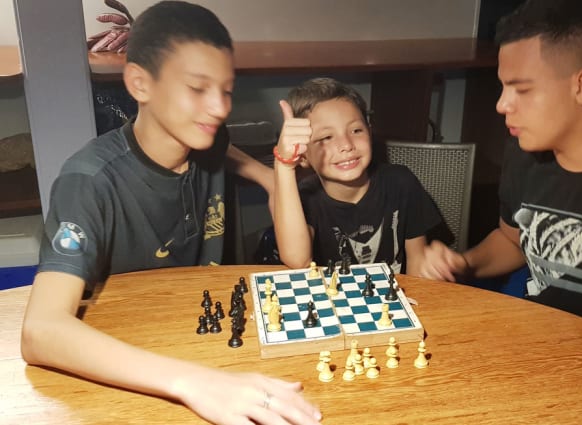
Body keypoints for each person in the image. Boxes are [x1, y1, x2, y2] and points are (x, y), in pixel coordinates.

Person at [20, 2, 322, 424]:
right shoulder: (88, 180)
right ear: (140, 83)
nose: (219, 107)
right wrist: (196, 383)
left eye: (226, 89)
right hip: (129, 368)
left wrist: (282, 170)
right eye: (197, 88)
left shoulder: (210, 142)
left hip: (213, 345)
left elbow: (294, 254)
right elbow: (40, 333)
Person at [445, 0, 582, 342]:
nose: (501, 104)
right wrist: (463, 264)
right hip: (535, 352)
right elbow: (514, 241)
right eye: (503, 86)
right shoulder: (525, 153)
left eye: (521, 89)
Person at [273, 77, 463, 279]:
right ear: (303, 156)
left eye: (356, 130)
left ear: (370, 132)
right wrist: (284, 165)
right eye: (326, 137)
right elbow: (297, 260)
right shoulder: (305, 197)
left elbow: (417, 262)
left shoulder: (401, 183)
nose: (346, 144)